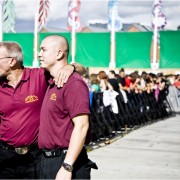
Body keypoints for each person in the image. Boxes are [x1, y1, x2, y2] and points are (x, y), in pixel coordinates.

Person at [0, 41, 81, 179]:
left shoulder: (39, 76)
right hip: (5, 158)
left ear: (12, 61)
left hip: (36, 157)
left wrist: (69, 67)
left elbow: (74, 68)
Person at [38, 35, 97, 180]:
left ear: (59, 53)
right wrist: (71, 66)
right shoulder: (50, 78)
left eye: (43, 50)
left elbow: (82, 126)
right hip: (47, 161)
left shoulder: (73, 83)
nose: (39, 54)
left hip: (65, 161)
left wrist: (67, 166)